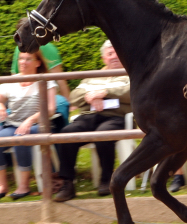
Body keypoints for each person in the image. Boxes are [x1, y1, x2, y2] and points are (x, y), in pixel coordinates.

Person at [53, 40, 131, 202]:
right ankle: (67, 184)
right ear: (104, 59)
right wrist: (91, 96)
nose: (114, 56)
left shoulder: (131, 73)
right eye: (110, 54)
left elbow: (131, 93)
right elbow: (75, 96)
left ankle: (106, 180)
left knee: (102, 134)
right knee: (67, 134)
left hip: (116, 116)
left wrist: (106, 92)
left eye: (116, 52)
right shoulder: (92, 77)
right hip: (89, 115)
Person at [0, 50, 57, 202]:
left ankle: (24, 185)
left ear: (38, 63)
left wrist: (31, 120)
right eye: (21, 59)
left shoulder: (46, 81)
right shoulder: (10, 81)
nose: (23, 62)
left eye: (28, 59)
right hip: (13, 125)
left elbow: (51, 109)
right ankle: (2, 186)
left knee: (21, 138)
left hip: (39, 125)